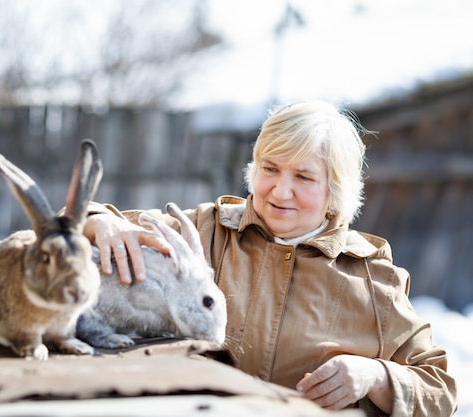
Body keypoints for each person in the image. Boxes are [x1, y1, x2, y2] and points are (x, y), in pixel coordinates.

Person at [82, 101, 457, 416]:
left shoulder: (372, 279)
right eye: (270, 169)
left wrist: (374, 376)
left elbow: (440, 388)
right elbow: (67, 231)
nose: (281, 191)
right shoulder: (205, 231)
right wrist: (99, 223)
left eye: (304, 177)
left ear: (335, 192)